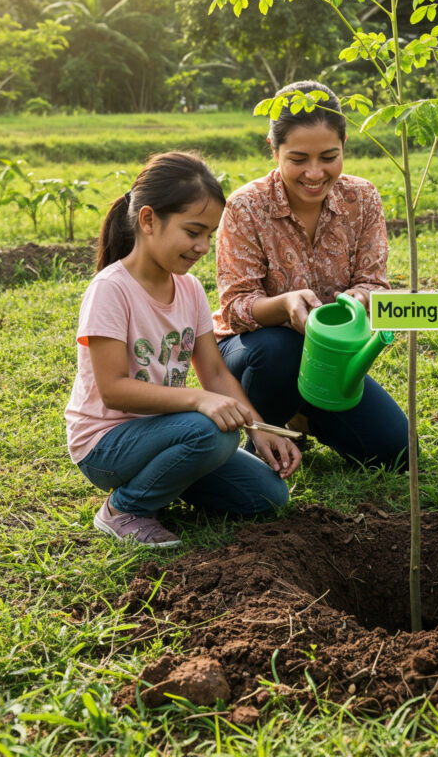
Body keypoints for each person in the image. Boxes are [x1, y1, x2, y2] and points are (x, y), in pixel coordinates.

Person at [65, 151, 301, 548]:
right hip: (106, 444)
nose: (203, 246)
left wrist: (259, 430)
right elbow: (113, 390)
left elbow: (215, 372)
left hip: (168, 435)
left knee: (268, 497)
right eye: (193, 232)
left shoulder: (189, 289)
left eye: (210, 234)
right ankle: (125, 508)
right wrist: (197, 400)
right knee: (214, 432)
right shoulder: (111, 289)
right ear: (148, 220)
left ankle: (170, 478)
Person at [214, 80, 409, 469]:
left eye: (329, 157)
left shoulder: (362, 198)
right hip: (254, 351)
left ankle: (304, 413)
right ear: (274, 149)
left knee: (396, 453)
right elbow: (236, 307)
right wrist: (285, 306)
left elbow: (374, 282)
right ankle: (259, 449)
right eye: (298, 159)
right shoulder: (246, 206)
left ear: (345, 145)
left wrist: (360, 299)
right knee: (280, 350)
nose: (315, 173)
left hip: (330, 357)